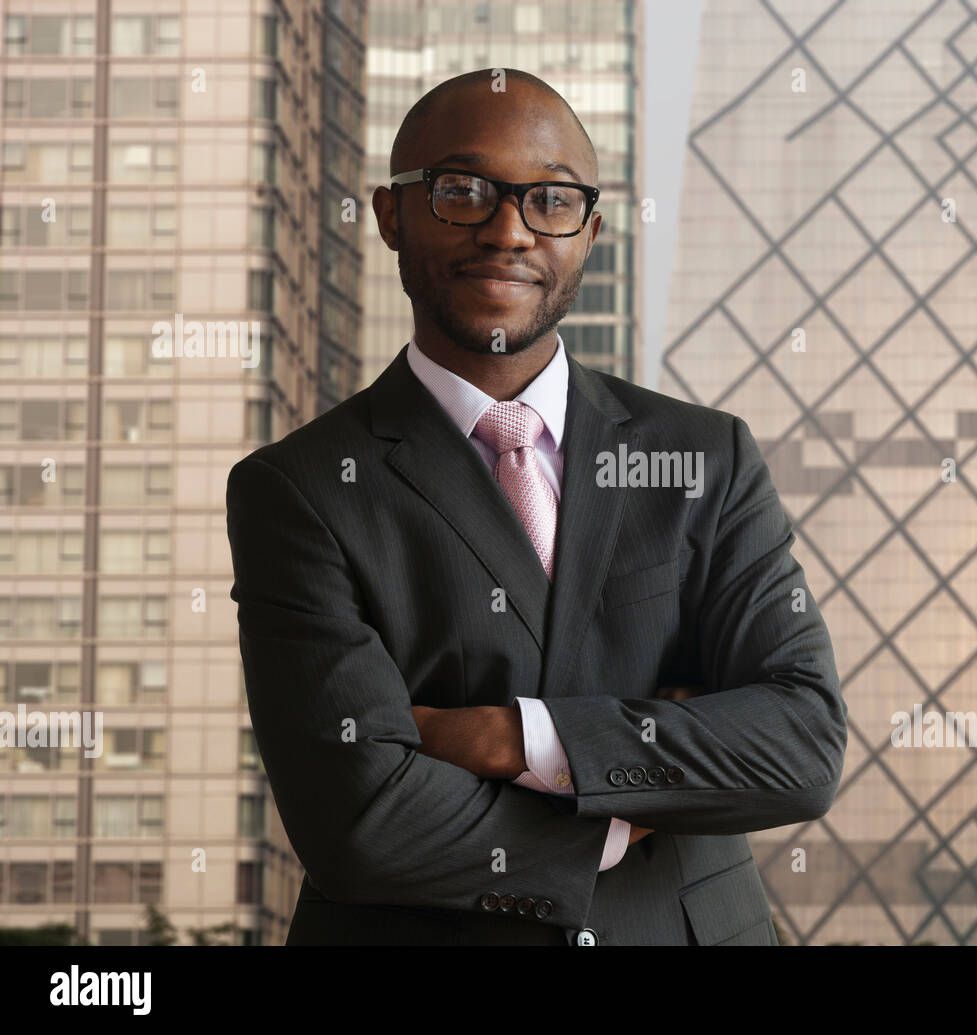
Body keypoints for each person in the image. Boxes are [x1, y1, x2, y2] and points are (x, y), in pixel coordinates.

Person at [225, 67, 846, 945]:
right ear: (392, 213)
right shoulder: (299, 489)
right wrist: (637, 795)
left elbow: (800, 742)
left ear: (588, 232)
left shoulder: (704, 456)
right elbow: (358, 819)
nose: (509, 230)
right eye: (464, 191)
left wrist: (515, 738)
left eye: (550, 199)